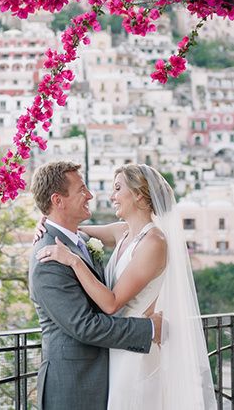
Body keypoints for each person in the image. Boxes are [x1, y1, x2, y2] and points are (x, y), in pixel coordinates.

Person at [37, 163, 216, 409]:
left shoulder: (154, 241)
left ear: (139, 194)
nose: (111, 196)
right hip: (116, 348)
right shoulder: (122, 231)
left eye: (118, 188)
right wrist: (45, 220)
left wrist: (73, 261)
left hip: (135, 353)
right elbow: (75, 233)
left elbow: (111, 304)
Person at [29, 161, 163, 410]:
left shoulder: (78, 241)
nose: (91, 195)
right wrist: (148, 330)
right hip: (74, 384)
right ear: (58, 200)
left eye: (117, 188)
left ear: (138, 195)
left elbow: (76, 233)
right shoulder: (48, 258)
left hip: (113, 366)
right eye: (82, 189)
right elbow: (84, 326)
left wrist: (53, 222)